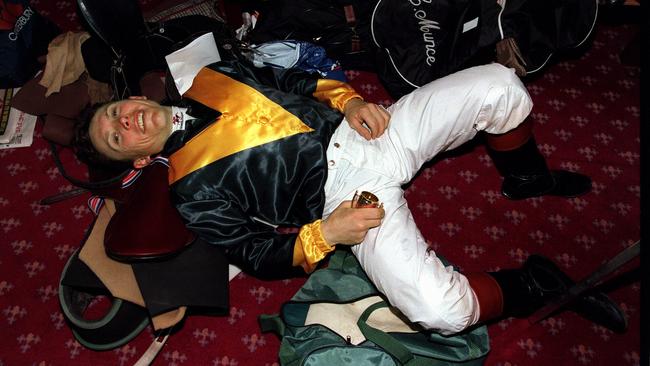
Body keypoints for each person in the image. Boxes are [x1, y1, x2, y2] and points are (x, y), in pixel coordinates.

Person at [76, 59, 624, 334]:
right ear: (138, 160)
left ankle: (526, 177)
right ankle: (535, 283)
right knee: (438, 311)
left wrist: (350, 99)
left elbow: (298, 76)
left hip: (368, 130)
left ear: (125, 98)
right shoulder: (189, 192)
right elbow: (257, 256)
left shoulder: (211, 74)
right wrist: (326, 234)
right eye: (117, 138)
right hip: (346, 193)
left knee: (501, 84)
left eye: (113, 114)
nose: (125, 122)